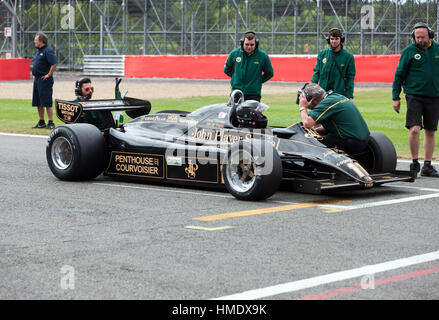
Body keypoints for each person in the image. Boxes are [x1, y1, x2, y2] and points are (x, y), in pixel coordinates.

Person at [392, 22, 439, 177]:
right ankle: (414, 161)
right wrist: (395, 97)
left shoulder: (437, 49)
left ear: (430, 35)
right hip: (414, 95)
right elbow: (399, 75)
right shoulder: (409, 51)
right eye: (417, 37)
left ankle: (427, 165)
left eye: (423, 37)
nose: (420, 40)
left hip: (434, 96)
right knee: (414, 129)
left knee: (431, 131)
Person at [298, 83, 370, 155]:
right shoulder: (334, 96)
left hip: (352, 143)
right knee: (320, 135)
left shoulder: (326, 103)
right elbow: (339, 124)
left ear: (312, 100)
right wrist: (318, 129)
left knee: (310, 143)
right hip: (362, 139)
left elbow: (307, 123)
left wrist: (302, 107)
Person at [224, 31, 274, 102]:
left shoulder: (263, 56)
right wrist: (236, 78)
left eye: (252, 45)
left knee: (252, 113)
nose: (249, 47)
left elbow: (269, 73)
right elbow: (227, 70)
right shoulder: (234, 54)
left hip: (253, 94)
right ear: (242, 43)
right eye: (247, 44)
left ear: (256, 44)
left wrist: (257, 81)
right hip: (236, 92)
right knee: (233, 113)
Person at [311, 28, 355, 100]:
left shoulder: (348, 57)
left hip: (340, 95)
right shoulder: (322, 54)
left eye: (336, 39)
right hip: (323, 94)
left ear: (341, 40)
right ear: (329, 40)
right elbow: (316, 73)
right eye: (332, 39)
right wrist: (311, 89)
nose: (334, 41)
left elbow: (350, 77)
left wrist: (350, 96)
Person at [31, 32, 57, 129]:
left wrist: (49, 74)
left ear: (41, 41)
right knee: (38, 102)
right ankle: (41, 121)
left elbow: (54, 63)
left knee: (47, 101)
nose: (34, 41)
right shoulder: (38, 51)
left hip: (44, 80)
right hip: (37, 79)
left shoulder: (47, 51)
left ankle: (51, 122)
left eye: (36, 39)